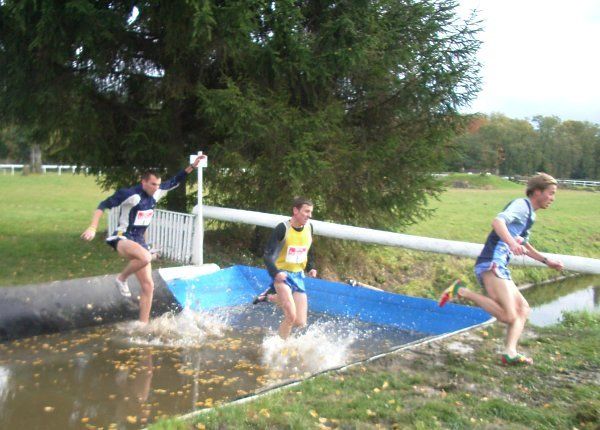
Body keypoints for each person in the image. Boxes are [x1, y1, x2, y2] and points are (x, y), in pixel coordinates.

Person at [439, 173, 564, 365]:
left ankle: (509, 353)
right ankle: (461, 290)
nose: (553, 198)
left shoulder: (530, 215)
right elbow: (498, 222)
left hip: (500, 265)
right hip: (491, 263)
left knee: (523, 309)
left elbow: (525, 244)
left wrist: (547, 261)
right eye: (551, 193)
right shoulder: (522, 206)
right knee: (508, 315)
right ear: (537, 192)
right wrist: (511, 242)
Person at [81, 155, 205, 323]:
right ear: (143, 182)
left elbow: (176, 180)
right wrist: (93, 227)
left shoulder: (158, 192)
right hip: (121, 238)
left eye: (158, 185)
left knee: (148, 286)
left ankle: (143, 325)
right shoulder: (130, 194)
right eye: (153, 184)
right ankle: (121, 279)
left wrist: (193, 166)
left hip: (138, 241)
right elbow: (103, 205)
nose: (156, 188)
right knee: (146, 256)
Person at [254, 197, 317, 339]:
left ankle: (268, 297)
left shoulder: (309, 228)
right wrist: (276, 273)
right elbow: (267, 255)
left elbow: (308, 249)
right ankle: (281, 347)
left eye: (311, 212)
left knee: (300, 322)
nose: (309, 215)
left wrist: (311, 267)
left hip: (298, 275)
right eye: (306, 211)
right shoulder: (282, 228)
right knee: (291, 316)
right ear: (295, 210)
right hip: (282, 275)